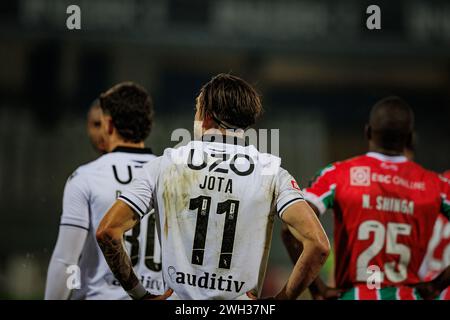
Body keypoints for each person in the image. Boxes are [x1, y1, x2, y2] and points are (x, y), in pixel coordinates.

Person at [96, 73, 330, 300]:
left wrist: (140, 295)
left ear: (206, 116)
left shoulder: (166, 164)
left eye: (197, 110)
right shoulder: (272, 172)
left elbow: (107, 231)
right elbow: (318, 245)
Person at [282, 96, 450, 300]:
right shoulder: (436, 186)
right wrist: (437, 285)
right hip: (408, 295)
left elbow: (291, 228)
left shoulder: (337, 175)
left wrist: (318, 289)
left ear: (368, 132)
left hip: (353, 295)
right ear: (409, 139)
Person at [45, 82, 163, 299]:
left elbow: (66, 260)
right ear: (148, 125)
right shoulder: (168, 175)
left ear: (108, 124)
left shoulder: (86, 177)